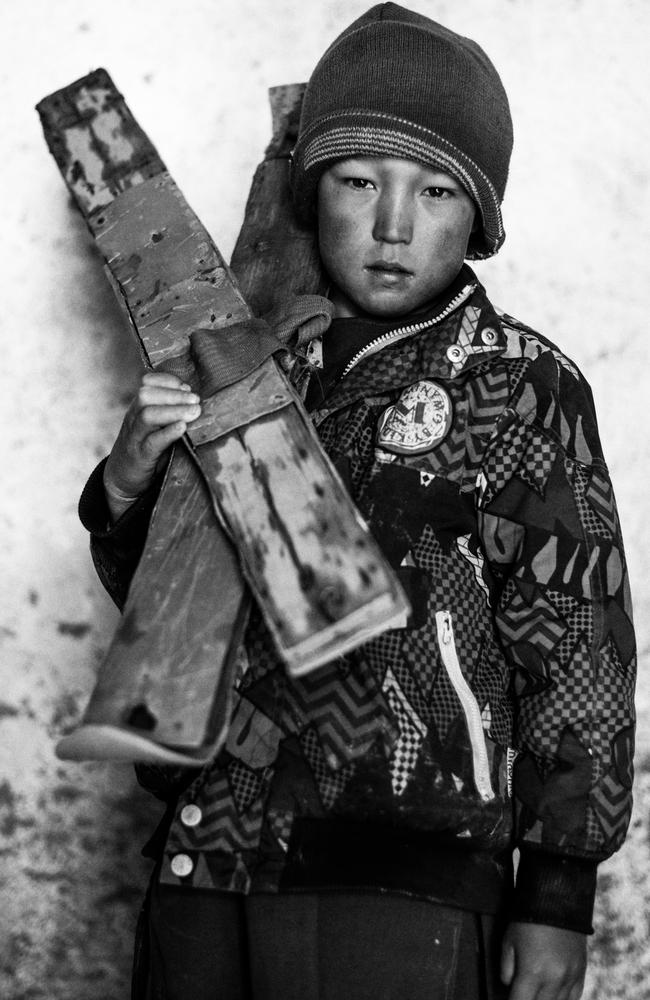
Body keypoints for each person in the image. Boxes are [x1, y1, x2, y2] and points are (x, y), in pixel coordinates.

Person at [79, 4, 636, 998]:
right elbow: (171, 608)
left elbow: (575, 646)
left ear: (478, 217)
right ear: (309, 195)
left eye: (432, 190)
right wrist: (126, 479)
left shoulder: (518, 387)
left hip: (402, 881)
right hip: (208, 855)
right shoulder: (249, 366)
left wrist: (556, 890)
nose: (391, 223)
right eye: (355, 180)